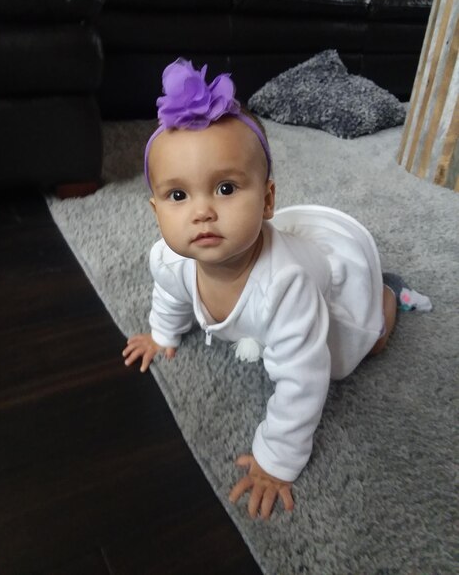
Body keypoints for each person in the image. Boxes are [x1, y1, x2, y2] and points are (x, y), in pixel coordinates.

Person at [122, 58, 432, 520]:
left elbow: (303, 382)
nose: (202, 212)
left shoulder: (284, 286)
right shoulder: (168, 258)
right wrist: (162, 333)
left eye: (226, 188)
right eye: (179, 196)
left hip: (329, 286)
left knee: (361, 347)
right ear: (156, 210)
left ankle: (389, 294)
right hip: (276, 276)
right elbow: (170, 294)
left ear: (267, 199)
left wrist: (277, 460)